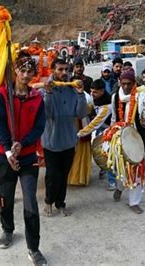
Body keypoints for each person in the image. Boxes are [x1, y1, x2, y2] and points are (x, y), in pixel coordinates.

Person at [0, 52, 47, 265]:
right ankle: (8, 229)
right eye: (22, 71)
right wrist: (8, 150)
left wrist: (22, 144)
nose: (25, 75)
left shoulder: (37, 98)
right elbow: (0, 123)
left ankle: (33, 248)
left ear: (34, 74)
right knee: (4, 200)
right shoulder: (2, 94)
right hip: (4, 157)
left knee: (30, 204)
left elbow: (39, 128)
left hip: (27, 158)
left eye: (29, 72)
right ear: (15, 71)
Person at [42, 59, 87, 217]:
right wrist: (48, 94)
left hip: (69, 141)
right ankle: (48, 201)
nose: (64, 73)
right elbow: (46, 114)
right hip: (51, 142)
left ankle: (61, 203)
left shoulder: (73, 89)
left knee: (64, 174)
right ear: (52, 70)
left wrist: (81, 94)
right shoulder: (45, 89)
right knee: (52, 175)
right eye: (60, 69)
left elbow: (80, 114)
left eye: (66, 69)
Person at [109, 69, 145, 214]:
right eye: (123, 84)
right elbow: (114, 119)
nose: (126, 87)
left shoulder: (141, 96)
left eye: (129, 84)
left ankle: (134, 202)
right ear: (120, 83)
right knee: (122, 168)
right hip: (121, 137)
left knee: (138, 171)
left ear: (134, 83)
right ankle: (120, 188)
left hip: (137, 138)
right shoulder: (115, 97)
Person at [77, 79, 113, 182]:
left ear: (102, 91)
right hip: (101, 128)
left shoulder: (106, 107)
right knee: (99, 151)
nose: (92, 94)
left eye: (95, 92)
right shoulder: (96, 99)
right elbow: (89, 109)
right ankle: (103, 169)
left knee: (108, 154)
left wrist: (79, 134)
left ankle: (112, 181)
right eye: (91, 91)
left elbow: (95, 124)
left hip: (110, 130)